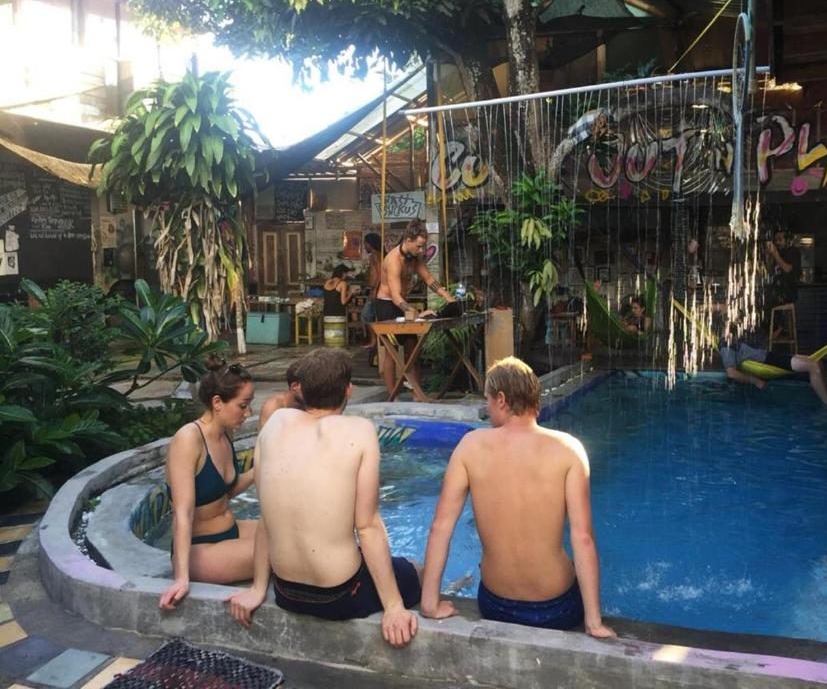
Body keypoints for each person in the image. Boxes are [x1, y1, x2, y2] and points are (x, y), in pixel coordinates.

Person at [225, 348, 420, 646]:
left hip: (285, 592)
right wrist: (394, 607)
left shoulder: (274, 425)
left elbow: (267, 515)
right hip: (338, 595)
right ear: (348, 390)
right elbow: (367, 527)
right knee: (415, 568)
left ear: (300, 389)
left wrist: (257, 588)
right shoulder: (360, 430)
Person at [419, 357, 616, 638]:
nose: (487, 409)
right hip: (557, 608)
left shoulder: (470, 446)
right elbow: (582, 538)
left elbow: (441, 527)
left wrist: (429, 603)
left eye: (487, 400)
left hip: (497, 605)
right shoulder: (568, 449)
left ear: (501, 400)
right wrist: (593, 623)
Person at [159, 358, 257, 611]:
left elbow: (225, 492)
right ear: (217, 402)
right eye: (243, 405)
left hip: (230, 530)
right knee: (285, 550)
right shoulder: (188, 440)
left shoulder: (226, 432)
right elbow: (183, 512)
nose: (249, 413)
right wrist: (181, 578)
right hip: (200, 550)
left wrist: (261, 470)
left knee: (293, 530)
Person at [374, 221, 456, 402]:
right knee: (391, 351)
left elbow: (428, 279)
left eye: (423, 246)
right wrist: (417, 315)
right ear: (408, 240)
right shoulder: (393, 260)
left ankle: (417, 395)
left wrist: (449, 298)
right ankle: (392, 396)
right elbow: (396, 298)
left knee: (413, 349)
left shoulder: (415, 256)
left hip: (403, 303)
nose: (421, 250)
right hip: (387, 304)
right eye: (419, 246)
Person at [719, 323, 827, 407]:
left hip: (771, 357)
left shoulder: (736, 338)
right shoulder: (727, 345)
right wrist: (756, 381)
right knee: (814, 366)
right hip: (769, 363)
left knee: (818, 363)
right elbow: (731, 373)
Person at [257, 360, 304, 430]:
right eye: (309, 385)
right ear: (295, 386)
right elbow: (266, 439)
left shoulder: (311, 404)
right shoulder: (273, 407)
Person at [360, 232, 383, 348]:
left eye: (365, 244)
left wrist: (374, 290)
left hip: (377, 289)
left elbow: (380, 274)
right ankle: (376, 341)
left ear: (370, 244)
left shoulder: (375, 256)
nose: (364, 247)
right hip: (376, 289)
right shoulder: (379, 255)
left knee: (366, 315)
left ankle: (374, 341)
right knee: (373, 315)